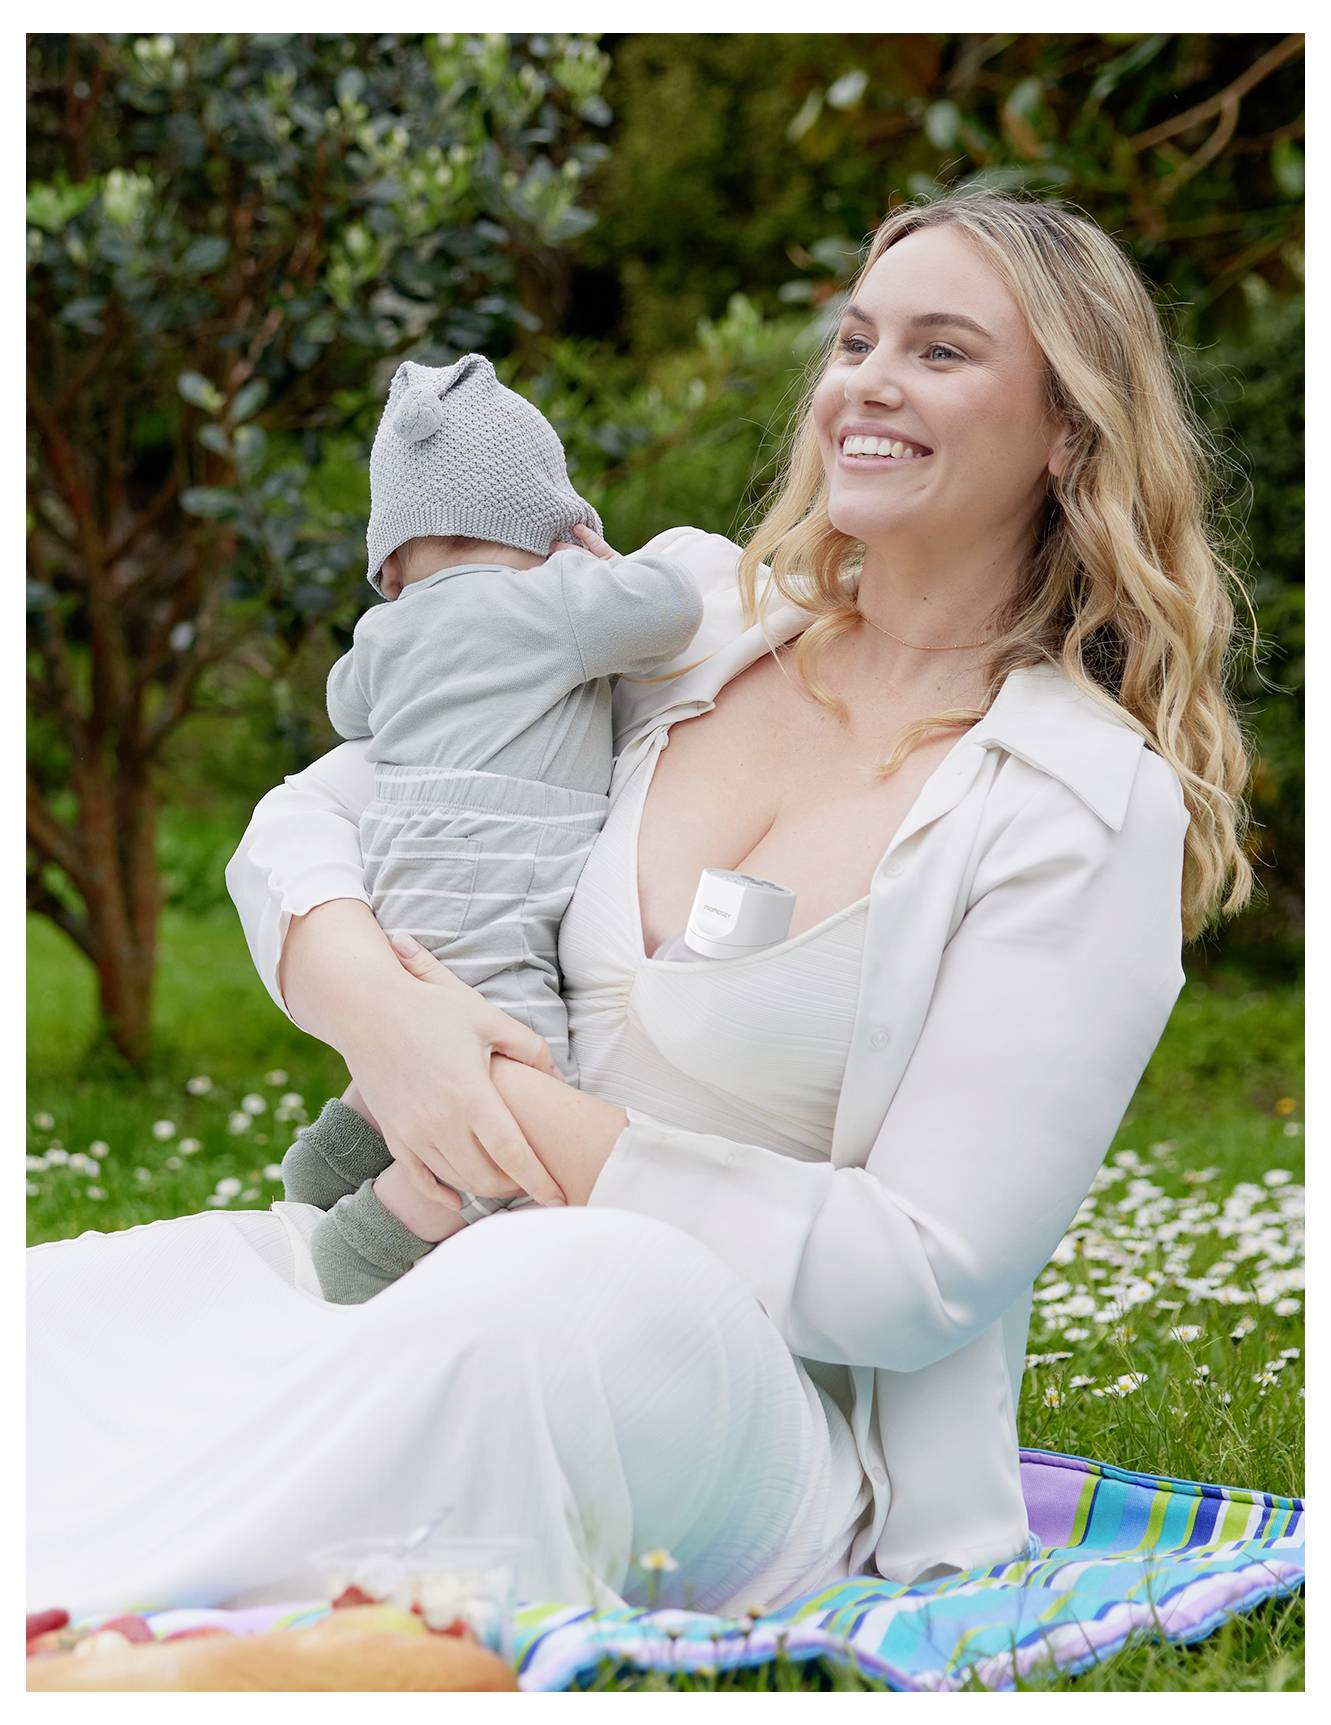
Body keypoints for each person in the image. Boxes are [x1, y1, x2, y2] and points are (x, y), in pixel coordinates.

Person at [27, 188, 1254, 1622]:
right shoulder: (678, 621)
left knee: (556, 1296)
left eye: (938, 350)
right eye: (855, 338)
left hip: (760, 1414)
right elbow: (308, 824)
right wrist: (386, 1019)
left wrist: (506, 1119)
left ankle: (144, 1614)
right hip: (458, 1251)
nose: (863, 377)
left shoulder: (1071, 801)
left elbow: (917, 1269)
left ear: (1067, 431)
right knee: (71, 1318)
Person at [282, 351, 703, 1304]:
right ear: (545, 521)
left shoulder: (382, 635)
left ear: (390, 556)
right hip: (496, 869)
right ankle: (387, 1225)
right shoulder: (553, 600)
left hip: (402, 864)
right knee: (515, 1084)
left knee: (439, 1013)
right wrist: (592, 552)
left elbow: (351, 710)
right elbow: (673, 608)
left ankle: (340, 1144)